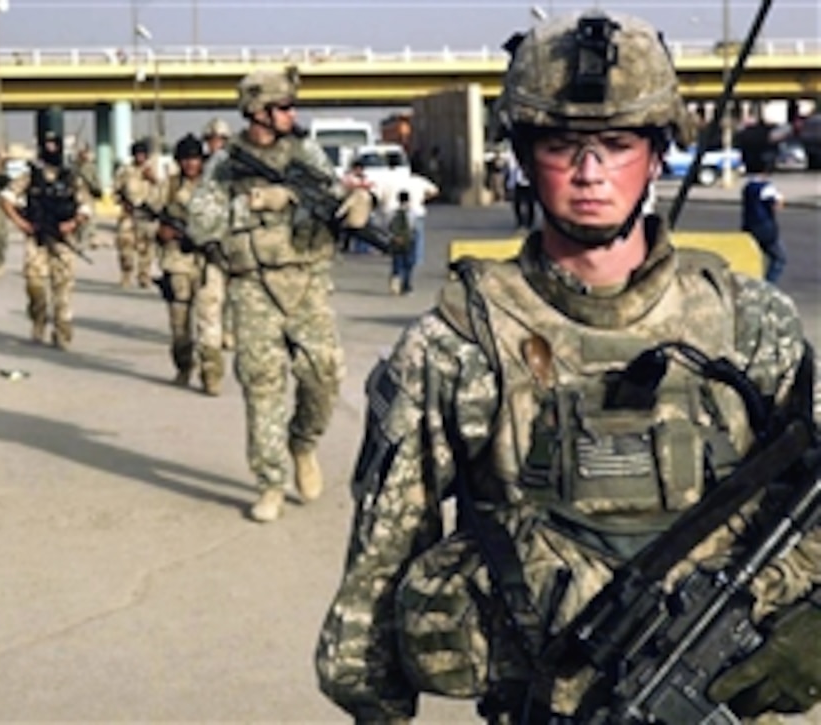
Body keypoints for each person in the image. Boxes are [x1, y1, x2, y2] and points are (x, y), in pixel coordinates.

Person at [316, 10, 820, 722]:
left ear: (655, 150)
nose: (590, 173)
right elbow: (375, 584)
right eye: (560, 146)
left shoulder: (749, 323)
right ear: (523, 154)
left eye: (616, 144)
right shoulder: (456, 346)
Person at [188, 66, 369, 523]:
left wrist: (354, 206)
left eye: (291, 106)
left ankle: (303, 445)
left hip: (306, 280)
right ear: (258, 112)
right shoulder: (226, 163)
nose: (292, 113)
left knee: (324, 375)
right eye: (283, 106)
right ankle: (270, 482)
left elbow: (329, 195)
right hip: (253, 287)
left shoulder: (305, 151)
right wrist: (249, 203)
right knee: (261, 384)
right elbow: (200, 223)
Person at [0, 129, 91, 350]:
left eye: (54, 144)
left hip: (62, 240)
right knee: (35, 285)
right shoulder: (31, 176)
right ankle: (38, 322)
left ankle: (62, 334)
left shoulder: (71, 178)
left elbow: (86, 207)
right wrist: (22, 224)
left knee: (63, 289)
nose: (51, 149)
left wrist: (72, 223)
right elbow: (6, 198)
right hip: (37, 238)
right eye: (47, 144)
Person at [154, 133, 225, 395]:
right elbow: (151, 215)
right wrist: (162, 233)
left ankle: (212, 376)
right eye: (185, 159)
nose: (191, 164)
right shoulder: (169, 187)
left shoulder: (216, 187)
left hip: (209, 263)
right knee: (179, 326)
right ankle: (184, 366)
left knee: (209, 323)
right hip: (178, 262)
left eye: (195, 159)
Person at [202, 117, 235, 351]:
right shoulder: (199, 167)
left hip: (234, 240)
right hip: (208, 241)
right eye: (213, 140)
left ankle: (229, 331)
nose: (217, 144)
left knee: (234, 294)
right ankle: (210, 346)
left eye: (222, 139)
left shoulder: (236, 168)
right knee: (210, 296)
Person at [113, 139, 161, 288]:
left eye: (142, 154)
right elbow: (116, 190)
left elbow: (163, 190)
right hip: (129, 213)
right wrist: (122, 202)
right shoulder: (125, 171)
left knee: (146, 249)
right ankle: (126, 274)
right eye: (137, 154)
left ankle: (144, 276)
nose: (140, 157)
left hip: (147, 214)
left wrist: (153, 179)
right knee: (125, 245)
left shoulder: (153, 170)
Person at [741, 153, 787, 284]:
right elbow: (776, 205)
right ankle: (768, 285)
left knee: (756, 257)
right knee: (779, 258)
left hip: (749, 226)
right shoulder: (767, 187)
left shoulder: (748, 187)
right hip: (765, 228)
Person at [71, 144, 103, 248]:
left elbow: (96, 181)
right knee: (77, 218)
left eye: (85, 153)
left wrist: (97, 189)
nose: (83, 155)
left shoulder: (91, 167)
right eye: (81, 152)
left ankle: (92, 238)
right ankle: (78, 238)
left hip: (88, 196)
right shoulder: (74, 167)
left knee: (90, 218)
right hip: (76, 196)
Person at [387, 191, 415, 295]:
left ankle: (395, 285)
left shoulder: (393, 212)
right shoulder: (412, 213)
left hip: (396, 242)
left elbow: (389, 226)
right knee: (408, 264)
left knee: (397, 264)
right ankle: (406, 285)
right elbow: (413, 227)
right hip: (408, 241)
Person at [506, 150, 536, 229]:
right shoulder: (515, 163)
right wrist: (510, 185)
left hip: (529, 184)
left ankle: (529, 222)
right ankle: (520, 221)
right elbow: (512, 174)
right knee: (517, 204)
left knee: (530, 204)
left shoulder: (530, 160)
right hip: (518, 184)